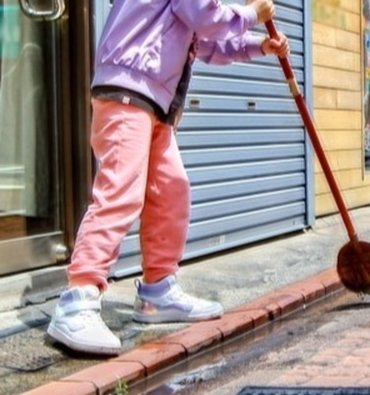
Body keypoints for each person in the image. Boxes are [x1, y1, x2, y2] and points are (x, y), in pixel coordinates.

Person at [46, 0, 291, 356]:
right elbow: (206, 18)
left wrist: (258, 44)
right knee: (120, 193)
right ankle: (77, 300)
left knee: (171, 190)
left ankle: (157, 292)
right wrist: (254, 15)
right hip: (129, 90)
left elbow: (201, 40)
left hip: (154, 100)